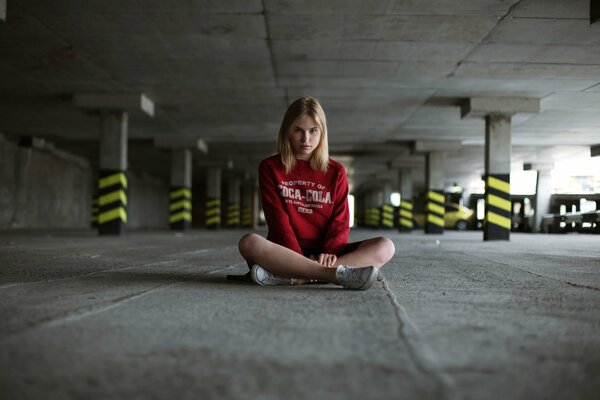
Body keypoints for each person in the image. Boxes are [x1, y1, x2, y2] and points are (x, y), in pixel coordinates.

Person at [238, 97, 395, 290]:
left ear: (322, 132)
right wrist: (297, 258)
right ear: (287, 131)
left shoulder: (336, 171)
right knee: (249, 243)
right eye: (298, 130)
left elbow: (340, 220)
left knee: (385, 246)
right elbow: (277, 220)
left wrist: (330, 252)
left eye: (313, 131)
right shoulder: (270, 167)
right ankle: (336, 275)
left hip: (327, 255)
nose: (306, 139)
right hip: (284, 251)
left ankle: (298, 277)